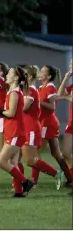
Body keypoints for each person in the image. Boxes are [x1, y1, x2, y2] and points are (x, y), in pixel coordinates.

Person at [0, 66, 34, 197]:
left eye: (10, 74)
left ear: (16, 78)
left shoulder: (14, 93)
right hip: (13, 130)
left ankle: (26, 182)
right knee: (13, 162)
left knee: (1, 162)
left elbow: (11, 113)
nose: (7, 76)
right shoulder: (13, 91)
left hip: (15, 131)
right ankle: (19, 191)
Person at [21, 65, 61, 190]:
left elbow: (23, 109)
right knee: (25, 158)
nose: (22, 76)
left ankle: (57, 174)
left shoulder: (35, 90)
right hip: (29, 127)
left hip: (38, 126)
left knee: (32, 158)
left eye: (24, 74)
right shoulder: (32, 89)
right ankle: (24, 183)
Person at [34, 65, 73, 187]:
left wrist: (37, 102)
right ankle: (70, 178)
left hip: (48, 123)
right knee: (57, 153)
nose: (40, 73)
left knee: (35, 153)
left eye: (42, 71)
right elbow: (61, 94)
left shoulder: (50, 87)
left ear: (49, 76)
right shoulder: (41, 87)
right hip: (45, 122)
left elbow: (52, 106)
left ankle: (34, 182)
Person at [57, 60, 73, 193]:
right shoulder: (72, 85)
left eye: (72, 65)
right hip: (71, 123)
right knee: (66, 153)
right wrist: (66, 78)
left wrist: (68, 98)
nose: (70, 67)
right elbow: (59, 94)